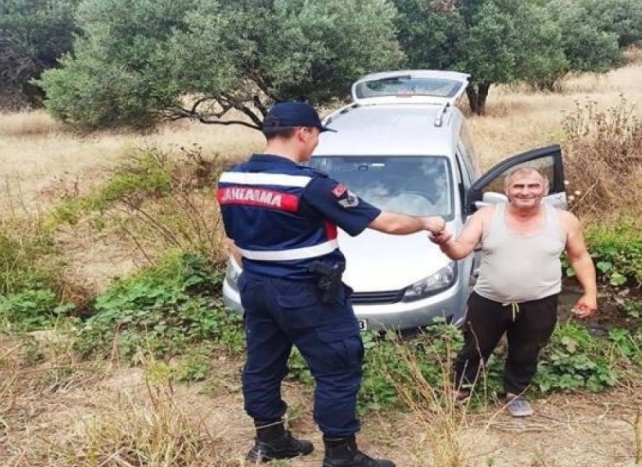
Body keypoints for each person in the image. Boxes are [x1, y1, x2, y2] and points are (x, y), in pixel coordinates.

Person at [217, 101, 445, 466]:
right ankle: (342, 455)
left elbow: (234, 241)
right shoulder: (310, 185)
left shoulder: (231, 179)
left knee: (262, 362)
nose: (317, 144)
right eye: (317, 135)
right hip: (307, 291)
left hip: (256, 287)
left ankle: (270, 439)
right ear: (304, 132)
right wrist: (426, 222)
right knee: (338, 365)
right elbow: (387, 223)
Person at [428, 167, 597, 417]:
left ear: (545, 190)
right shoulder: (486, 216)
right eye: (518, 186)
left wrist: (591, 293)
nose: (525, 191)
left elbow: (580, 257)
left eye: (533, 186)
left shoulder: (564, 220)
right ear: (506, 190)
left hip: (539, 302)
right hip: (489, 300)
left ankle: (515, 393)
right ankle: (460, 390)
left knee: (527, 350)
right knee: (474, 346)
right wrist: (446, 244)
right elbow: (461, 249)